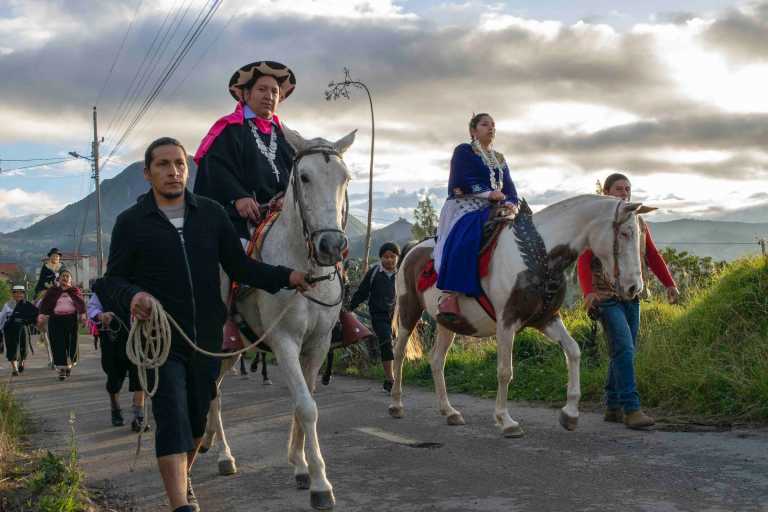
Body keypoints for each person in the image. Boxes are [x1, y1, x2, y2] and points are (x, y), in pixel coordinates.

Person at [100, 137, 312, 512]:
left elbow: (241, 267)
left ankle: (185, 477)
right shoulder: (131, 223)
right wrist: (132, 296)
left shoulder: (211, 214)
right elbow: (111, 280)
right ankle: (179, 504)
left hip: (207, 338)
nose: (173, 171)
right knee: (172, 419)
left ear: (188, 169)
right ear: (148, 173)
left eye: (179, 164)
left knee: (198, 423)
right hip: (161, 340)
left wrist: (288, 276)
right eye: (163, 165)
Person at [578, 172, 680, 430]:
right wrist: (588, 291)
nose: (624, 193)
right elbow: (583, 259)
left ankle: (613, 406)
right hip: (605, 296)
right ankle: (631, 409)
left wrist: (669, 283)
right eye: (619, 189)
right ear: (607, 193)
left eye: (627, 189)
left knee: (624, 349)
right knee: (624, 348)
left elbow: (652, 255)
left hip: (632, 294)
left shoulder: (638, 222)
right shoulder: (598, 222)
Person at [433, 113, 520, 326]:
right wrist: (488, 194)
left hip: (495, 208)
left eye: (493, 125)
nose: (490, 128)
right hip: (465, 205)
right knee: (468, 232)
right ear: (473, 130)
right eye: (484, 124)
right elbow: (461, 179)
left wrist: (511, 202)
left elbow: (509, 188)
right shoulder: (464, 151)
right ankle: (450, 295)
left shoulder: (500, 158)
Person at [88, 279, 147, 431]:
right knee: (114, 377)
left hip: (138, 337)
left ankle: (138, 415)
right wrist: (101, 316)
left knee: (140, 374)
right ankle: (115, 407)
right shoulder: (103, 286)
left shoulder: (143, 282)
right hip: (113, 339)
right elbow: (92, 308)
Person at [348, 242, 400, 392]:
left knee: (398, 346)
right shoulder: (375, 272)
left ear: (397, 257)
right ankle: (391, 379)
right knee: (386, 341)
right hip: (379, 315)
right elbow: (362, 292)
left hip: (398, 316)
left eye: (392, 256)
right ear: (381, 258)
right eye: (386, 257)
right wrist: (350, 308)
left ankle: (395, 375)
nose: (389, 260)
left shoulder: (402, 272)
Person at [38, 270, 85, 380]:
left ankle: (69, 365)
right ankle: (61, 370)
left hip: (71, 320)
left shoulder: (75, 291)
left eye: (67, 276)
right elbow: (45, 304)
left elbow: (81, 304)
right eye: (63, 276)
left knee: (71, 344)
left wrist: (83, 316)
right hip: (56, 320)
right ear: (58, 279)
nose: (65, 278)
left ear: (71, 279)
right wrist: (42, 316)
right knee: (58, 344)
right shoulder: (53, 291)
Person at [0, 285, 39, 376]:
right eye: (15, 292)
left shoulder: (27, 305)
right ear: (12, 294)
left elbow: (35, 315)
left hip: (23, 328)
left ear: (24, 294)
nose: (18, 294)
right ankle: (15, 369)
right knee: (12, 348)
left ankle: (21, 362)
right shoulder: (8, 305)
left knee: (24, 347)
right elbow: (2, 318)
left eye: (20, 293)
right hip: (10, 329)